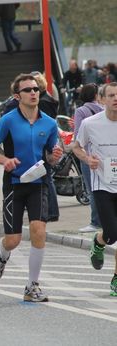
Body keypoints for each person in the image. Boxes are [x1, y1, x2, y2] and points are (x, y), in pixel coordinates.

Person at [0, 74, 62, 303]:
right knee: (13, 239)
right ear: (17, 96)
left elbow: (50, 155)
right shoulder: (8, 120)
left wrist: (54, 156)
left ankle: (31, 286)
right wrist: (4, 161)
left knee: (39, 230)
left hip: (39, 183)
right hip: (14, 184)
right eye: (28, 90)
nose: (34, 93)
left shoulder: (49, 123)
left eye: (36, 89)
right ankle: (2, 254)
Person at [72, 82, 117, 296]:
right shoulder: (90, 124)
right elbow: (76, 146)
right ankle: (99, 242)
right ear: (102, 99)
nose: (115, 98)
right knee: (112, 234)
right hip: (103, 186)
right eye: (111, 95)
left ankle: (116, 278)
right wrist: (87, 158)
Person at [73, 83, 104, 233]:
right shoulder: (104, 110)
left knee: (92, 189)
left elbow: (79, 136)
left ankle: (96, 221)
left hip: (88, 155)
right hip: (105, 154)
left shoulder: (81, 111)